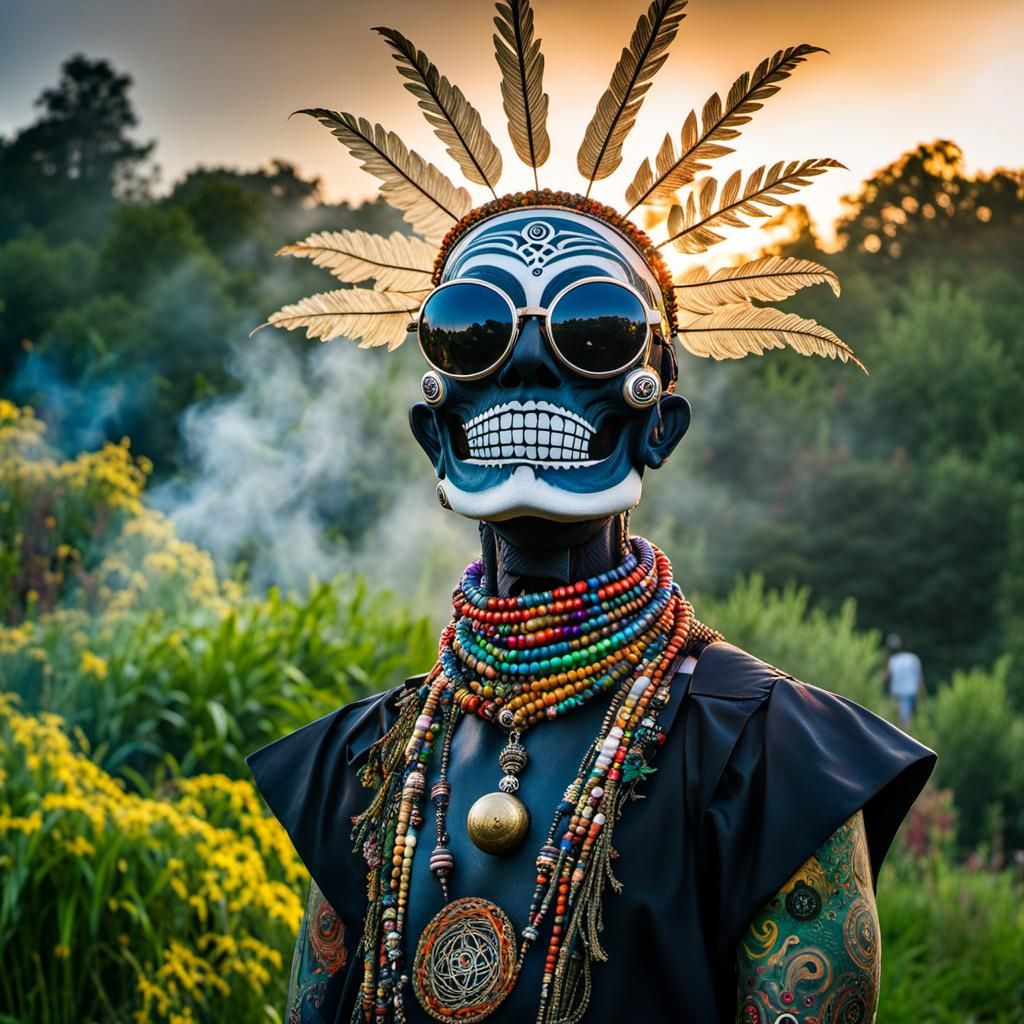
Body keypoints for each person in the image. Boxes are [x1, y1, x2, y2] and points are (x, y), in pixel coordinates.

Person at [247, 3, 936, 1021]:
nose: (526, 360)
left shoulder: (768, 763)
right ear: (436, 431)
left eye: (593, 326)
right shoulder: (363, 769)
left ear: (659, 427)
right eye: (470, 329)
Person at [886, 633, 925, 726]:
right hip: (911, 692)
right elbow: (919, 679)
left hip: (898, 693)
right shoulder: (914, 658)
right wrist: (921, 695)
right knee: (907, 721)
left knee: (899, 721)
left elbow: (886, 675)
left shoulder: (893, 660)